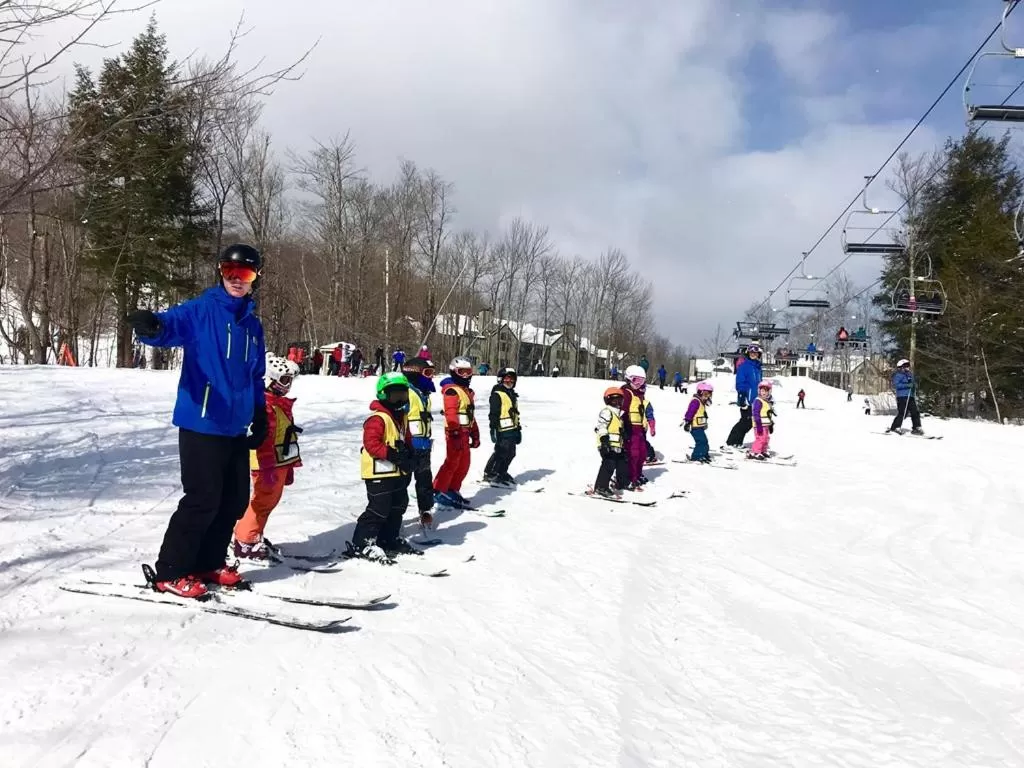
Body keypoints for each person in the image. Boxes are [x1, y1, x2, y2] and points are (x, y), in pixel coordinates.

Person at [126, 243, 267, 598]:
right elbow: (168, 327)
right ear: (221, 272)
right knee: (202, 499)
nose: (237, 279)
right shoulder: (202, 310)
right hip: (201, 422)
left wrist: (260, 412)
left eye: (245, 273)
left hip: (235, 426)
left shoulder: (252, 325)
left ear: (255, 278)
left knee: (234, 500)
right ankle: (170, 571)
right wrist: (151, 326)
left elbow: (255, 375)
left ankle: (208, 562)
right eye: (230, 272)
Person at [233, 354, 303, 560]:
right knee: (262, 501)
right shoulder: (266, 406)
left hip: (278, 461)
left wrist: (287, 466)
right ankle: (245, 540)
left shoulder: (278, 403)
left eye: (289, 380)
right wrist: (269, 466)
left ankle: (253, 534)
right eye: (283, 380)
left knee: (269, 500)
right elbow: (265, 439)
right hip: (267, 464)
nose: (287, 386)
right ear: (269, 380)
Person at [346, 372, 420, 562]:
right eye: (394, 395)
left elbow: (407, 439)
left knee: (398, 505)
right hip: (379, 472)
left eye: (402, 395)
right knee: (379, 508)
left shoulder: (401, 417)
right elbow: (371, 443)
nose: (399, 400)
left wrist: (411, 456)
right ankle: (362, 543)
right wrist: (393, 455)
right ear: (383, 395)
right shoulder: (378, 418)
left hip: (397, 472)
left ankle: (389, 538)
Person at [433, 357, 480, 508]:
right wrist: (454, 432)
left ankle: (452, 489)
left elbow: (469, 415)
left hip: (465, 433)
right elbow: (451, 412)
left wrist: (475, 433)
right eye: (462, 372)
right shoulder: (452, 391)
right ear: (454, 372)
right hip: (455, 433)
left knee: (464, 464)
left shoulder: (466, 392)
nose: (465, 376)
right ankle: (439, 490)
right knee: (452, 462)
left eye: (468, 372)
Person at [401, 356, 437, 530]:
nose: (430, 378)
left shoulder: (424, 393)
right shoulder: (406, 392)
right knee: (402, 481)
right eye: (427, 373)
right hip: (409, 445)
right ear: (415, 374)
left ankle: (425, 509)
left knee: (424, 480)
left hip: (423, 445)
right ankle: (395, 514)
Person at [483, 367, 521, 485]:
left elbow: (514, 412)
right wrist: (493, 428)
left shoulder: (512, 395)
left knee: (511, 453)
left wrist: (517, 428)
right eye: (507, 379)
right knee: (501, 452)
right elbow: (493, 413)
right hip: (501, 429)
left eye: (512, 380)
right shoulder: (497, 394)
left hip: (511, 429)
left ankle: (502, 471)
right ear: (501, 379)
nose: (509, 382)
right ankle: (490, 472)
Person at [592, 387, 629, 498]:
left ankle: (621, 483)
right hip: (607, 444)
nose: (617, 402)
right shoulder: (607, 411)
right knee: (609, 465)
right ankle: (601, 487)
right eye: (614, 400)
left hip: (618, 446)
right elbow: (602, 426)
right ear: (608, 400)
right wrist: (604, 441)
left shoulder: (620, 414)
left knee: (622, 464)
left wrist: (624, 435)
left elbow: (617, 429)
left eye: (619, 400)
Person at [725, 344, 763, 447]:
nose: (753, 354)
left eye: (755, 353)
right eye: (751, 353)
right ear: (748, 353)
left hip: (756, 400)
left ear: (758, 354)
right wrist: (742, 394)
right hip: (746, 398)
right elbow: (740, 381)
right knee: (745, 421)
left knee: (749, 423)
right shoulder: (744, 366)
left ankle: (737, 442)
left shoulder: (758, 367)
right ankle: (732, 442)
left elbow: (759, 383)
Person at [619, 365, 649, 490]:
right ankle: (630, 477)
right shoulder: (626, 392)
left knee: (642, 453)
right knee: (633, 454)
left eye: (642, 381)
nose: (639, 384)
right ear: (628, 379)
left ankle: (637, 474)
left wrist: (646, 425)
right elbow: (622, 411)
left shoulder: (639, 394)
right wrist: (623, 427)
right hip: (630, 428)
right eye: (636, 380)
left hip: (639, 430)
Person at [887, 358, 923, 434]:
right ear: (901, 367)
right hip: (902, 396)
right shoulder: (898, 375)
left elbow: (913, 384)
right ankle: (895, 427)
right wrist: (907, 385)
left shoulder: (910, 374)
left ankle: (917, 427)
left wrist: (914, 385)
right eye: (906, 366)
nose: (907, 367)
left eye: (908, 366)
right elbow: (896, 385)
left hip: (911, 396)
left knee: (915, 412)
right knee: (903, 412)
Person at [682, 381, 713, 462]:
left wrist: (705, 421)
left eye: (709, 394)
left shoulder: (702, 402)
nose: (707, 397)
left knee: (705, 441)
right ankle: (696, 456)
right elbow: (690, 412)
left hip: (699, 426)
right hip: (694, 426)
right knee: (701, 441)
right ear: (700, 392)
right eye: (706, 394)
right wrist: (687, 422)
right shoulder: (695, 401)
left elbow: (701, 413)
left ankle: (704, 454)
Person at [748, 381, 776, 460]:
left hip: (765, 424)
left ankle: (763, 450)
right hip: (759, 424)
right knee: (760, 438)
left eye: (766, 391)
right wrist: (758, 425)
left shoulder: (767, 402)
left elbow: (767, 414)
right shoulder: (758, 401)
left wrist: (771, 424)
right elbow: (756, 413)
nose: (763, 393)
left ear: (769, 392)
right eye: (762, 391)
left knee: (766, 438)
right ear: (759, 391)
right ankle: (756, 452)